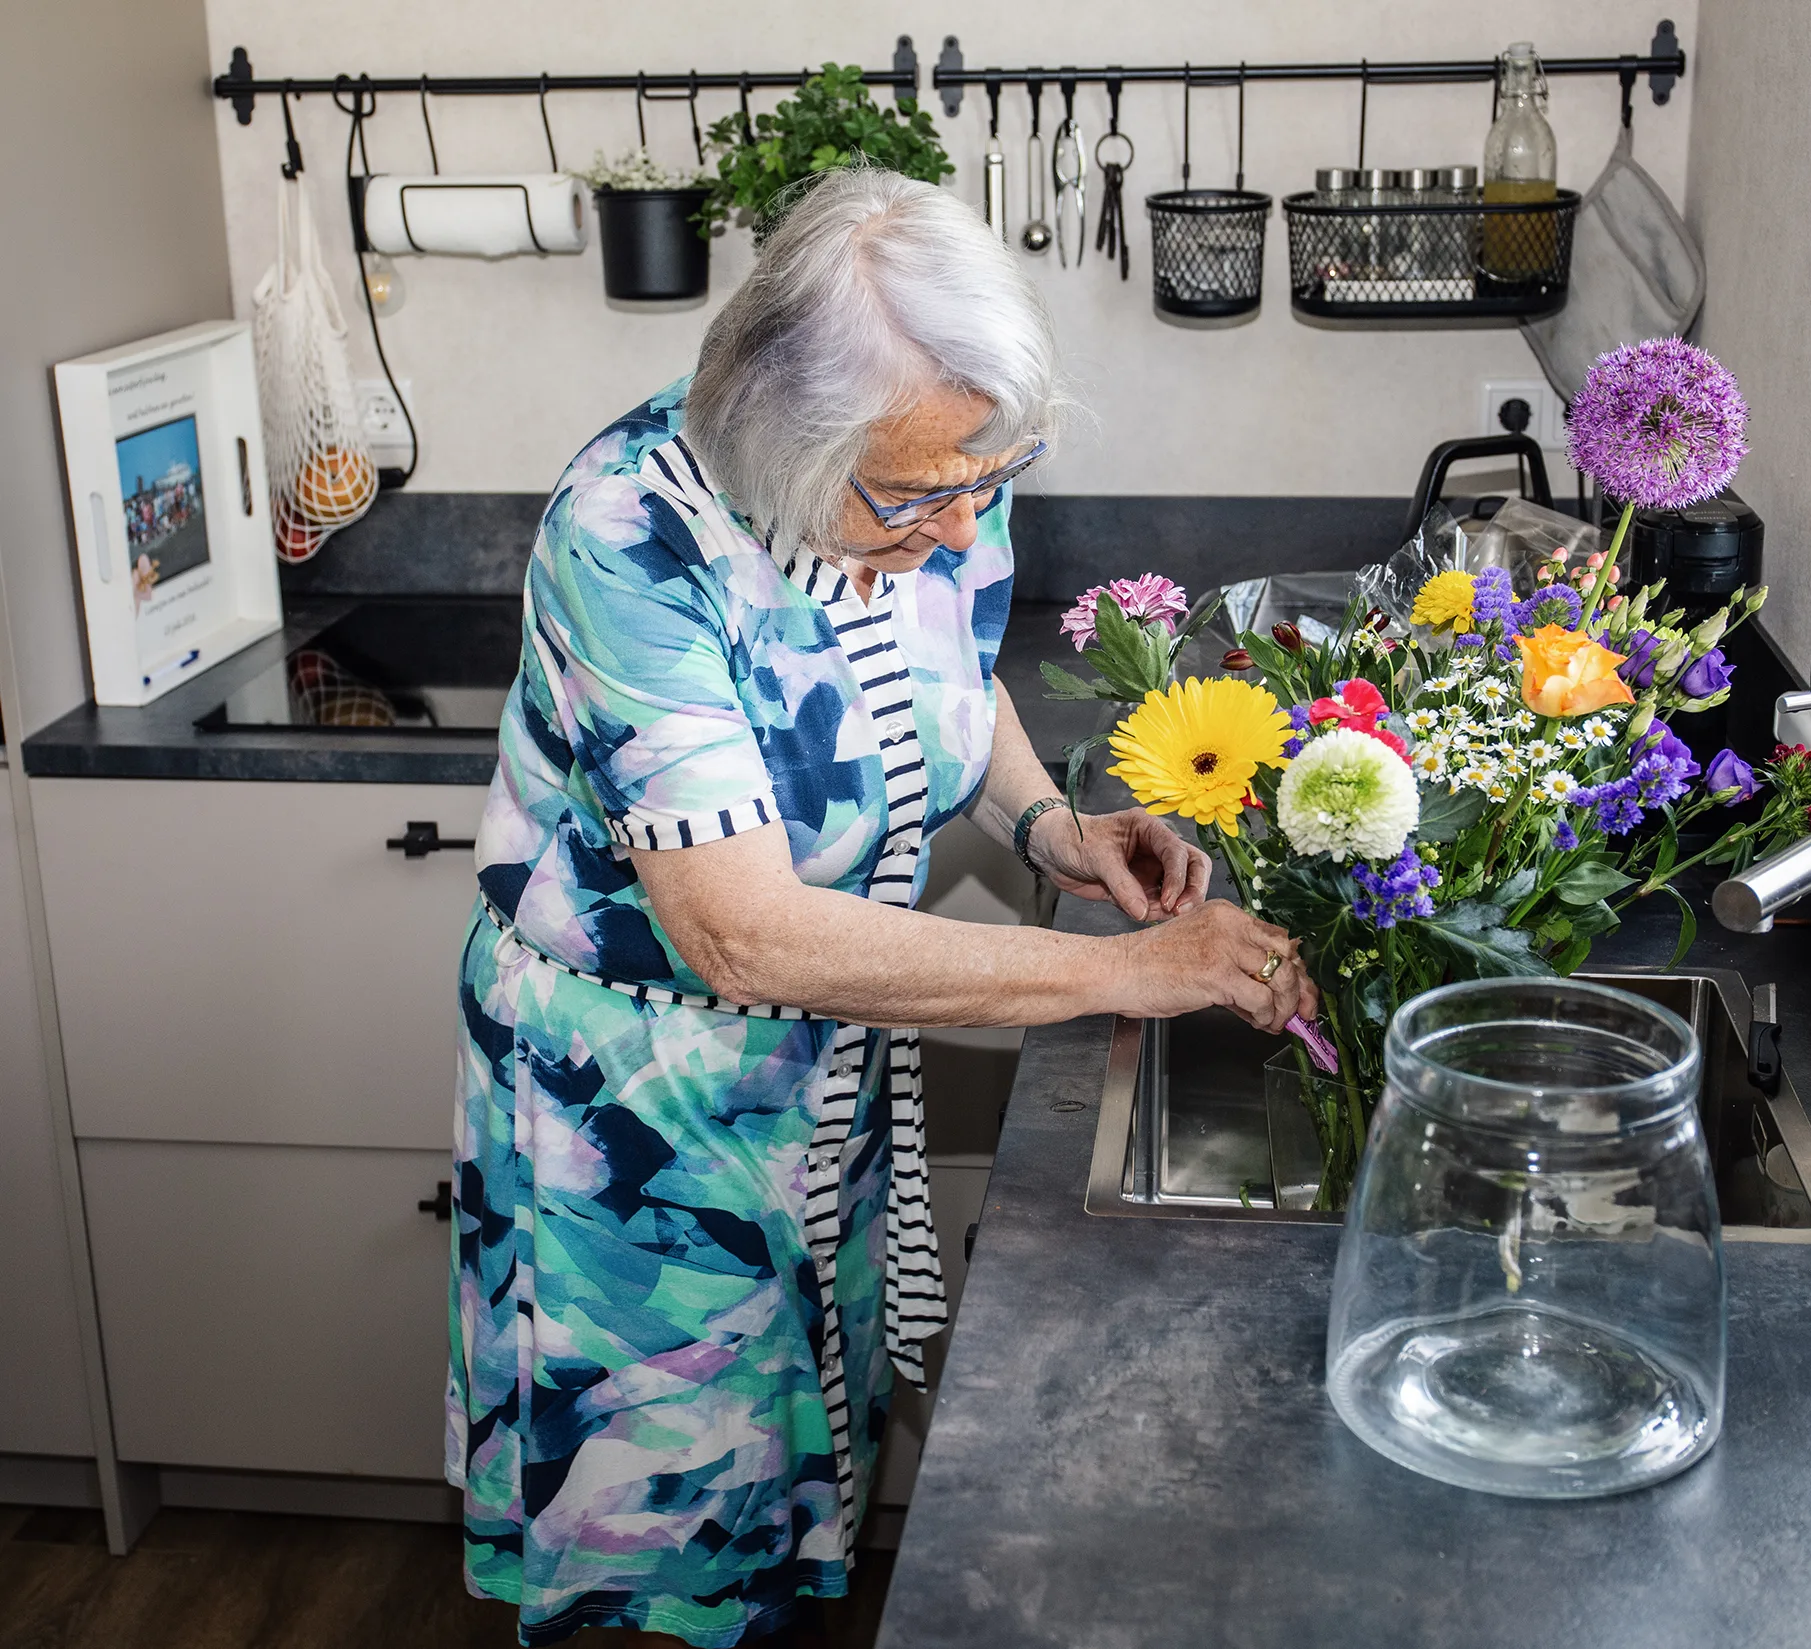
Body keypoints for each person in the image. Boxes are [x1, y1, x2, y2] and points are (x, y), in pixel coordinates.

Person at [450, 166, 1315, 1647]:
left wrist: (1050, 825)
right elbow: (746, 933)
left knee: (791, 1506)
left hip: (820, 1071)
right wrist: (1135, 972)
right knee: (662, 1566)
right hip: (639, 1115)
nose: (962, 520)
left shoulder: (942, 455)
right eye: (918, 496)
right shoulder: (627, 537)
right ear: (787, 435)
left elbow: (944, 675)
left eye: (990, 479)